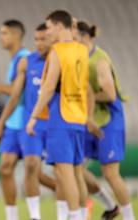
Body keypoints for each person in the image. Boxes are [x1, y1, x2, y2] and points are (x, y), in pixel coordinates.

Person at [25, 10, 100, 220]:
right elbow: (85, 86)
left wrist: (33, 117)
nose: (47, 31)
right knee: (76, 174)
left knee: (64, 174)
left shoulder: (57, 50)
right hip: (78, 117)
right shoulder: (81, 50)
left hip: (61, 118)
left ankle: (75, 217)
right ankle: (84, 215)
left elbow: (48, 88)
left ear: (59, 26)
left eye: (49, 27)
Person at [0, 23, 56, 220]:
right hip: (14, 122)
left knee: (33, 171)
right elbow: (15, 94)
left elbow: (15, 93)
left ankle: (72, 195)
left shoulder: (25, 59)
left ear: (16, 35)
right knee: (5, 167)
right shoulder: (17, 60)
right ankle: (12, 217)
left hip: (26, 121)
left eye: (4, 33)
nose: (1, 37)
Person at [75, 20, 135, 220]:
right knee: (73, 168)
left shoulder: (98, 60)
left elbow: (109, 94)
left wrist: (83, 98)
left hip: (108, 119)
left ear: (84, 37)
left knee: (110, 173)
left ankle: (129, 217)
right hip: (87, 119)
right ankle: (110, 206)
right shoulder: (78, 58)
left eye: (75, 38)